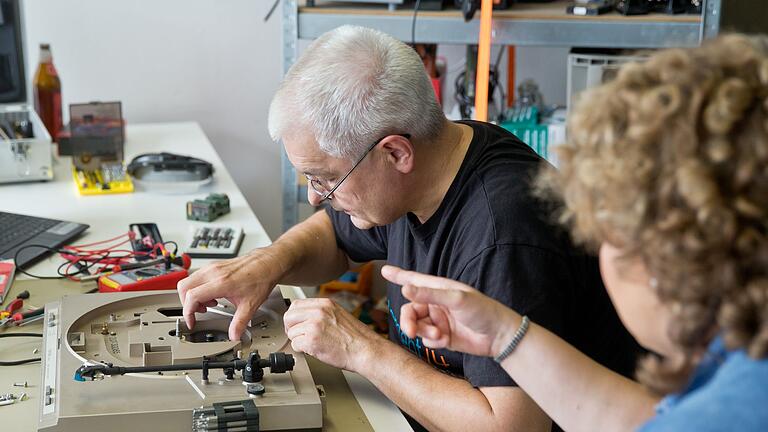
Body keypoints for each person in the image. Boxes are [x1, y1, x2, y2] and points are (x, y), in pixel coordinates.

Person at [178, 25, 639, 432]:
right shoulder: (430, 163)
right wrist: (267, 264)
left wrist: (361, 349)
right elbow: (334, 235)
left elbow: (513, 427)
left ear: (396, 152)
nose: (317, 196)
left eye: (325, 177)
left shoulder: (503, 236)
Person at [383, 34, 768, 431]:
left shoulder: (728, 415)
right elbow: (641, 420)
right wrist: (505, 336)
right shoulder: (741, 365)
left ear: (659, 257)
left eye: (602, 233)